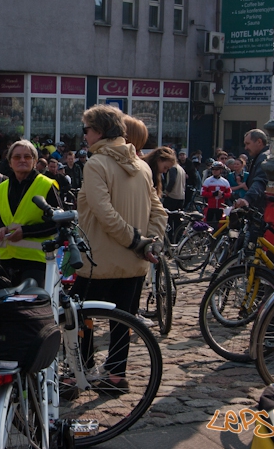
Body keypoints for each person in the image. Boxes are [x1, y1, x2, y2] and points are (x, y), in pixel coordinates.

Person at [75, 104, 167, 389]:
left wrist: (136, 240)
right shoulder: (142, 165)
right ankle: (116, 376)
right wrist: (149, 243)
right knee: (123, 322)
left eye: (86, 130)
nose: (84, 135)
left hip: (98, 262)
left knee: (80, 317)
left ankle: (80, 371)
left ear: (99, 131)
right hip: (134, 262)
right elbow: (159, 211)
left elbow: (104, 213)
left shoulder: (96, 164)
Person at [0, 139, 62, 287]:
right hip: (5, 260)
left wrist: (25, 232)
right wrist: (0, 228)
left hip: (35, 262)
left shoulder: (46, 185)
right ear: (10, 162)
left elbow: (57, 223)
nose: (22, 160)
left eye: (27, 156)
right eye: (17, 157)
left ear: (35, 161)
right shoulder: (1, 187)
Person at [234, 129, 270, 213]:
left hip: (262, 210)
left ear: (259, 142)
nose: (246, 148)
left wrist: (247, 199)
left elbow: (260, 181)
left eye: (248, 144)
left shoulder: (264, 158)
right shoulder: (261, 157)